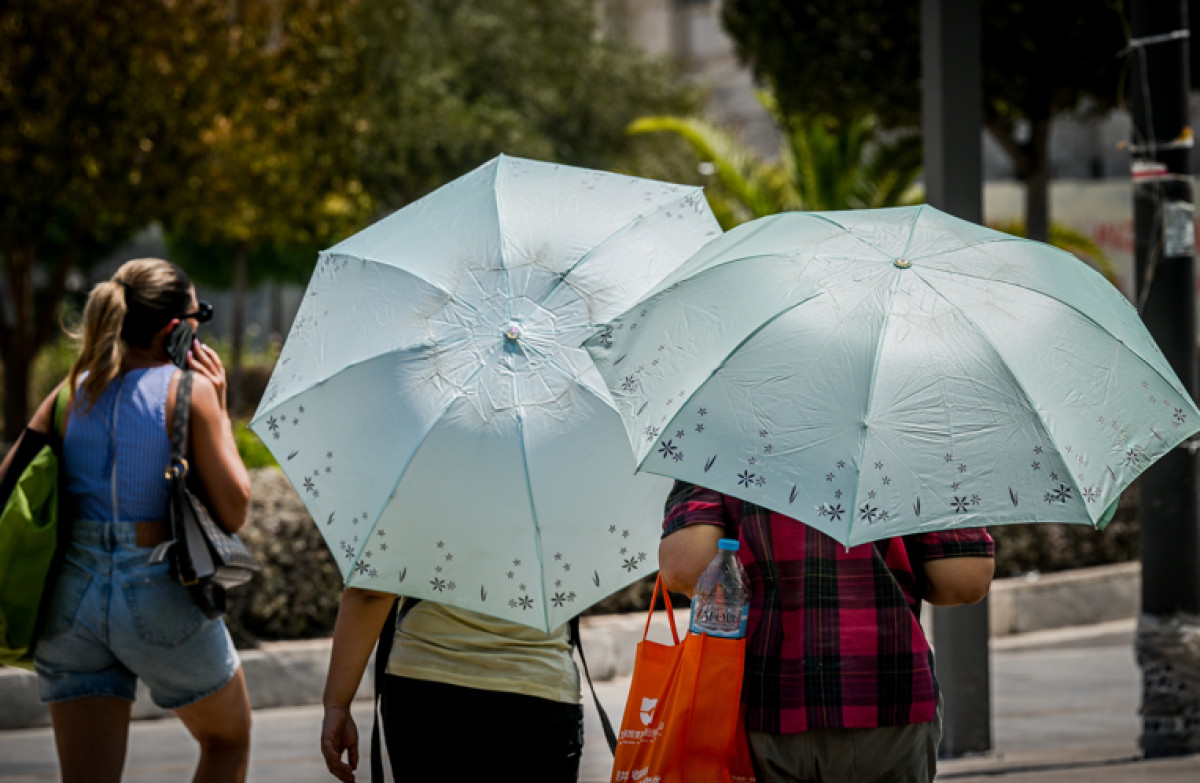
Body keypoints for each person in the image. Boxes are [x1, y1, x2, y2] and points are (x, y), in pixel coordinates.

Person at [0, 258, 254, 783]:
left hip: (71, 600)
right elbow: (235, 510)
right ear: (175, 328)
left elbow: (7, 485)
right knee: (227, 739)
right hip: (157, 588)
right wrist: (220, 409)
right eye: (197, 313)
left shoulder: (71, 391)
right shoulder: (190, 392)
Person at [658, 480, 995, 783]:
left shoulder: (724, 433)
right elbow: (964, 580)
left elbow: (685, 570)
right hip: (889, 698)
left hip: (766, 704)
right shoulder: (915, 436)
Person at [320, 590, 584, 782]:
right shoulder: (570, 511)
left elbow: (371, 592)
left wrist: (338, 703)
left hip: (429, 688)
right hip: (542, 689)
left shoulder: (418, 509)